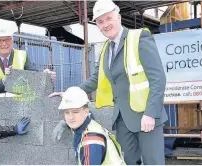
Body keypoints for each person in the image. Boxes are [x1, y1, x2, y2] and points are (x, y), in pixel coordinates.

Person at [49, 0, 168, 164]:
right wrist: (71, 93)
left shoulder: (139, 38)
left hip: (146, 117)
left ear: (118, 17)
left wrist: (150, 113)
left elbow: (158, 78)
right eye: (100, 21)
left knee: (153, 162)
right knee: (127, 162)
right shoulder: (105, 48)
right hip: (122, 120)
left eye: (108, 18)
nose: (105, 24)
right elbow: (96, 79)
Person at [0, 26, 56, 118]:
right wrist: (4, 81)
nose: (4, 43)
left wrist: (45, 75)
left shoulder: (22, 55)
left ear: (12, 40)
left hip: (18, 106)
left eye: (7, 39)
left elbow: (35, 78)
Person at [58, 86, 125, 165]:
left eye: (75, 112)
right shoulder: (89, 125)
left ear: (86, 112)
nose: (71, 117)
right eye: (67, 112)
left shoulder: (91, 140)